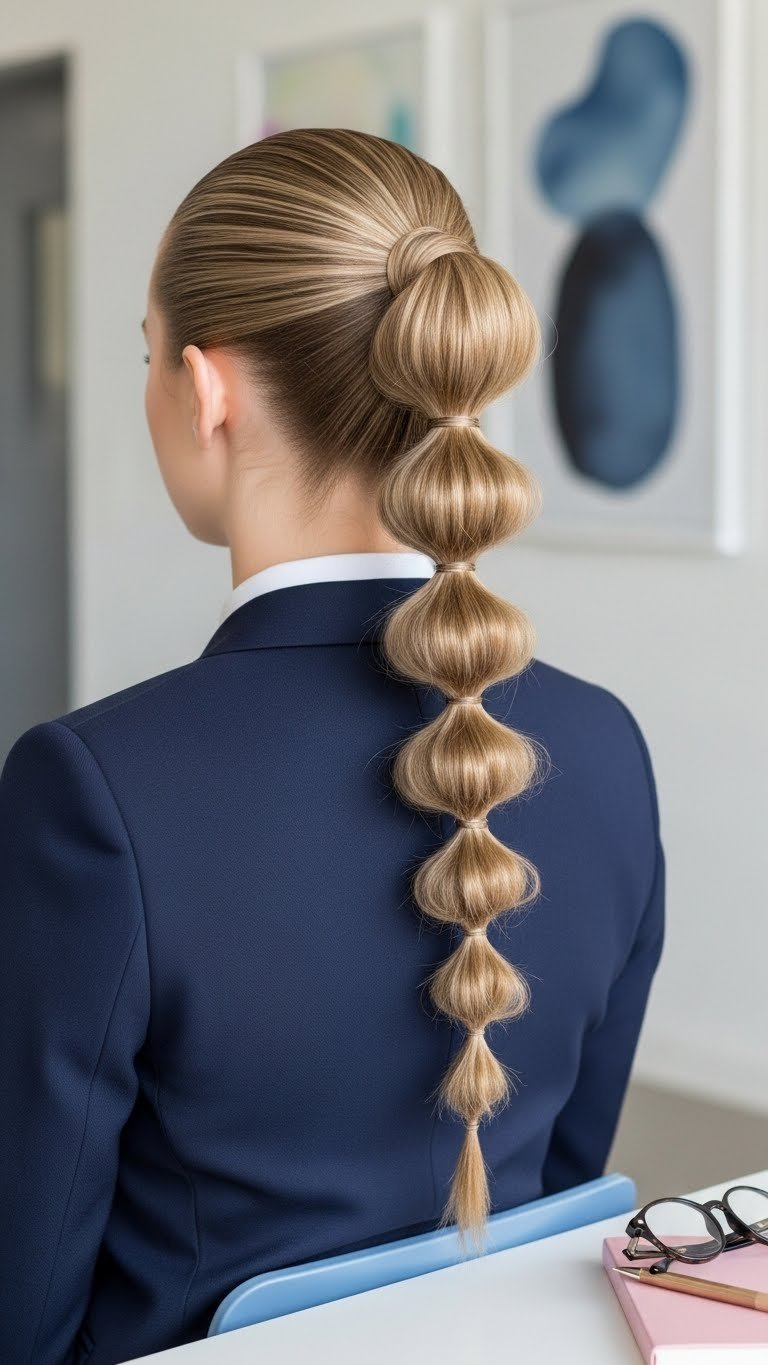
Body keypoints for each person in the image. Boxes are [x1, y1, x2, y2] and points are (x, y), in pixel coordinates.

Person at [0, 128, 665, 1364]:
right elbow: (556, 1201)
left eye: (149, 357)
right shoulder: (604, 747)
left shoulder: (95, 791)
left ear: (208, 392)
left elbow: (23, 1292)